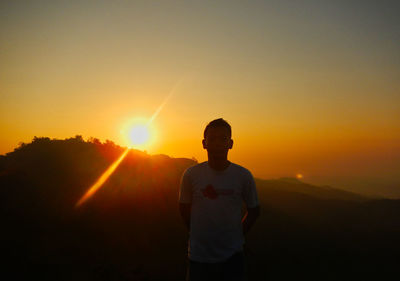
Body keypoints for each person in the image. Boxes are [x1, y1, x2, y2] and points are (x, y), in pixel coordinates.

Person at [179, 118, 260, 281]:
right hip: (199, 257)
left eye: (223, 139)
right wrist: (196, 232)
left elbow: (254, 210)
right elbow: (183, 207)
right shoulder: (191, 175)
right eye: (212, 138)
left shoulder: (243, 176)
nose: (217, 143)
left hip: (232, 257)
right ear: (204, 143)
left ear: (230, 143)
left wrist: (238, 234)